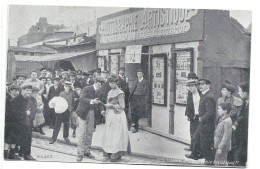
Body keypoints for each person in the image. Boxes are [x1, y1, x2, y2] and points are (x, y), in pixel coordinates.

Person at [186, 79, 216, 165]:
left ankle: (209, 161)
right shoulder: (204, 95)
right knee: (197, 138)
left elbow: (210, 112)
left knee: (206, 142)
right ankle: (199, 155)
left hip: (207, 124)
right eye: (200, 85)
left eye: (203, 84)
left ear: (208, 85)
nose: (200, 86)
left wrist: (201, 118)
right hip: (203, 123)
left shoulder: (208, 96)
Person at [101, 75, 130, 162]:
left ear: (116, 83)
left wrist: (111, 106)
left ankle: (116, 154)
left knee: (116, 135)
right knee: (109, 134)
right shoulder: (109, 92)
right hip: (110, 115)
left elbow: (122, 106)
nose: (111, 85)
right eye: (110, 83)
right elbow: (107, 103)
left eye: (113, 83)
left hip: (118, 115)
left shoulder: (120, 93)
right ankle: (107, 153)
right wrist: (105, 112)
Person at [76, 76, 105, 162]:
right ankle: (80, 153)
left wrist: (102, 111)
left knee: (89, 132)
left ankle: (87, 151)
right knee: (82, 133)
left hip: (92, 113)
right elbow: (82, 98)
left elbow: (100, 103)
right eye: (100, 83)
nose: (101, 85)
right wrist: (92, 101)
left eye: (102, 84)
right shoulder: (87, 88)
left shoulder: (100, 92)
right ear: (96, 82)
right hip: (82, 112)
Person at [217, 80, 243, 163]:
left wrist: (234, 126)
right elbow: (218, 115)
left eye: (223, 89)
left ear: (230, 91)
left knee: (232, 146)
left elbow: (240, 115)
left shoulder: (238, 101)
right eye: (221, 89)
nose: (221, 91)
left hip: (234, 127)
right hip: (222, 126)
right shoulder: (220, 100)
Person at [11, 84, 35, 160]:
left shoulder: (30, 100)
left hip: (27, 123)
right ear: (22, 90)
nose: (29, 92)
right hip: (17, 123)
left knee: (28, 138)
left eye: (30, 90)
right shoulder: (16, 100)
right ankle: (15, 154)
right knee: (18, 139)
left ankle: (26, 154)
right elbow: (13, 113)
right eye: (27, 90)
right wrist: (25, 114)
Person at [233, 82, 249, 166]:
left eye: (239, 91)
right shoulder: (245, 102)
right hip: (242, 134)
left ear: (245, 93)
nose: (238, 93)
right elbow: (240, 116)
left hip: (246, 136)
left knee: (238, 159)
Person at [129, 69, 149, 133]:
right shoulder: (136, 81)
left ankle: (136, 127)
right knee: (133, 111)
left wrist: (146, 99)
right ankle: (134, 126)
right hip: (134, 98)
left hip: (141, 98)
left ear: (142, 74)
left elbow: (147, 91)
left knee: (138, 112)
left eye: (140, 73)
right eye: (138, 73)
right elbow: (132, 90)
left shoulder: (145, 81)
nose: (139, 75)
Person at [4, 84, 20, 160]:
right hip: (9, 121)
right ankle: (5, 153)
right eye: (14, 91)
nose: (16, 92)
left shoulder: (17, 99)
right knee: (8, 138)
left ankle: (12, 154)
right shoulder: (7, 99)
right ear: (10, 91)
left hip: (16, 121)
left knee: (15, 138)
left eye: (17, 91)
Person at [185, 79, 200, 152]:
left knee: (198, 133)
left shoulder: (200, 94)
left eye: (192, 86)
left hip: (199, 117)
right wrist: (187, 114)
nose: (190, 88)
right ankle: (192, 147)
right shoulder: (190, 94)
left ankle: (197, 149)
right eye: (189, 86)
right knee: (192, 132)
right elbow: (188, 105)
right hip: (192, 116)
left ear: (196, 86)